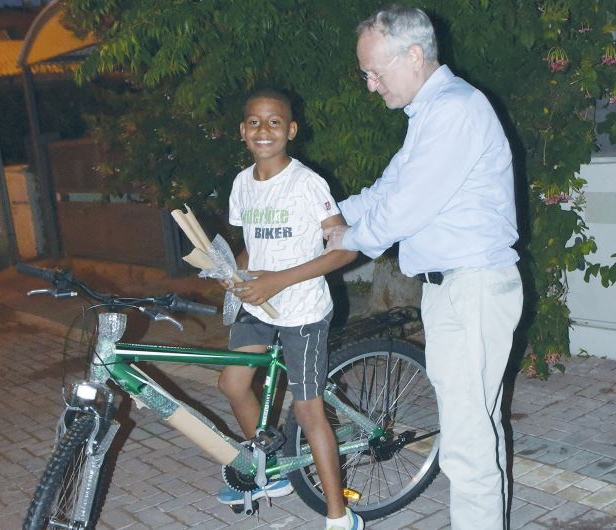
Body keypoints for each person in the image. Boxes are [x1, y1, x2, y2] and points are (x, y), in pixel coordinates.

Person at [323, 6, 523, 530]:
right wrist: (329, 216)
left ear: (413, 56)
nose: (370, 86)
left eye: (375, 72)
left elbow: (406, 207)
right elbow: (387, 190)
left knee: (466, 440)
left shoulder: (456, 110)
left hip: (472, 286)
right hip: (453, 289)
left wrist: (350, 239)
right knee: (477, 425)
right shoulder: (432, 115)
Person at [217, 88, 363, 530]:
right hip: (258, 306)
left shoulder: (306, 183)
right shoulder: (243, 183)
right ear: (243, 131)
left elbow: (345, 249)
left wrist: (277, 281)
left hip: (302, 311)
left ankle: (339, 515)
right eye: (255, 122)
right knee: (232, 383)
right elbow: (252, 245)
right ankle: (273, 473)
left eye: (275, 122)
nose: (264, 130)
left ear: (291, 130)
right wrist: (232, 271)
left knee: (307, 410)